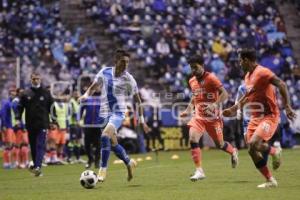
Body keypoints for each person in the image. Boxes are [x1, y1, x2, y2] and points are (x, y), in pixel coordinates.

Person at [223, 48, 296, 188]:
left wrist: (287, 106)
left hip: (269, 115)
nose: (239, 64)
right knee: (251, 149)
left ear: (246, 60)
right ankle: (270, 180)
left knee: (255, 143)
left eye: (240, 61)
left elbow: (281, 84)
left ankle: (275, 152)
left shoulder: (262, 72)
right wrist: (234, 108)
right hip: (255, 117)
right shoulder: (247, 76)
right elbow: (248, 96)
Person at [78, 49, 150, 182]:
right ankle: (129, 163)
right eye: (123, 61)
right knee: (114, 145)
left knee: (104, 136)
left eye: (128, 62)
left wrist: (142, 120)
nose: (126, 64)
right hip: (103, 113)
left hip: (118, 113)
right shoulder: (104, 72)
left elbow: (138, 101)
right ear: (116, 61)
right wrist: (85, 95)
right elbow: (94, 87)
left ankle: (102, 170)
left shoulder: (129, 79)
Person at [179, 55, 238, 181]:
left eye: (196, 67)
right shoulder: (192, 81)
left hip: (213, 118)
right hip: (198, 116)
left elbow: (225, 94)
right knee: (193, 138)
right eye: (191, 68)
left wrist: (213, 104)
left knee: (220, 145)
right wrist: (188, 109)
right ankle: (199, 171)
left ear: (202, 65)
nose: (193, 70)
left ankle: (233, 151)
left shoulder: (211, 78)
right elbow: (195, 96)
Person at [15, 72, 57, 176]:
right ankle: (36, 167)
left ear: (40, 79)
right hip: (30, 124)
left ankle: (38, 166)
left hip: (43, 123)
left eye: (37, 78)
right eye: (34, 79)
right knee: (33, 147)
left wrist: (54, 121)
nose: (36, 80)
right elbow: (20, 107)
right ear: (31, 80)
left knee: (40, 145)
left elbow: (51, 108)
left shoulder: (46, 92)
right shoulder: (25, 93)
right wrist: (17, 119)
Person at [79, 90, 102, 169]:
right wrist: (78, 119)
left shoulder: (102, 100)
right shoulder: (87, 99)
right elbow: (81, 109)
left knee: (98, 144)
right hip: (88, 125)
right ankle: (90, 159)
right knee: (87, 144)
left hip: (98, 125)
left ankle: (97, 161)